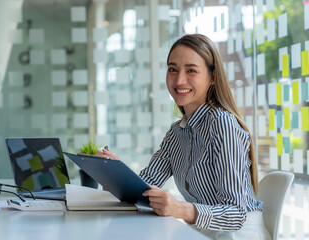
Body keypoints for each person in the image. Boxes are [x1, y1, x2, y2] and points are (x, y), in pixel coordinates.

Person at [97, 34, 271, 240]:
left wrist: (180, 209)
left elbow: (235, 215)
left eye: (191, 70)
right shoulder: (176, 133)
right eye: (172, 69)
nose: (179, 80)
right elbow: (145, 187)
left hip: (237, 234)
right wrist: (116, 173)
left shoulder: (222, 124)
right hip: (202, 231)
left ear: (212, 76)